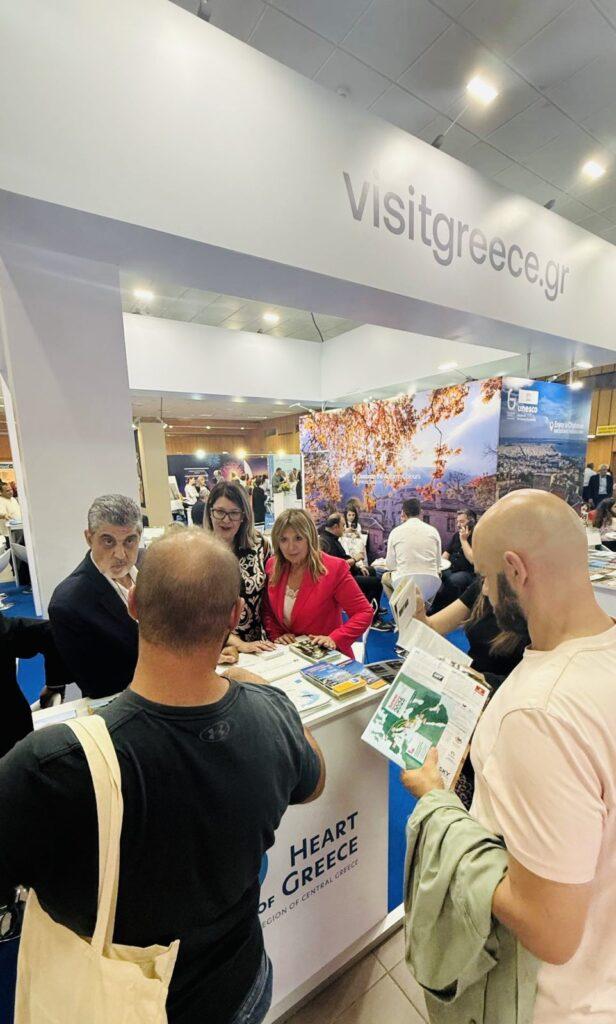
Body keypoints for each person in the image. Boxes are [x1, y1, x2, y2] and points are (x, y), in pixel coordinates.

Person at [0, 529, 325, 1024]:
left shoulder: (51, 764)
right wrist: (263, 693)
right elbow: (314, 782)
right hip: (242, 986)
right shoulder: (272, 715)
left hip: (114, 1007)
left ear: (133, 605)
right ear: (235, 616)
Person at [403, 489, 616, 1022]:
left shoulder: (539, 712)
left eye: (489, 578)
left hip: (549, 1001)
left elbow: (549, 929)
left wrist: (437, 806)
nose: (487, 594)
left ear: (516, 571)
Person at [48, 494, 142, 698]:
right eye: (108, 541)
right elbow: (99, 686)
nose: (120, 554)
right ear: (89, 538)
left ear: (139, 536)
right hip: (123, 703)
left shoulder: (152, 567)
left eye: (129, 541)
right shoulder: (69, 604)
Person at [263, 508, 373, 656]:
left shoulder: (334, 568)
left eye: (298, 538)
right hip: (289, 655)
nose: (291, 547)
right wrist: (277, 634)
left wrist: (334, 638)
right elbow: (268, 610)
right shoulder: (273, 566)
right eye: (284, 540)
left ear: (310, 538)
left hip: (327, 656)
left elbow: (364, 612)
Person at [205, 480, 274, 654]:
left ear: (243, 516)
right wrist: (239, 645)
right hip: (212, 649)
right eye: (220, 512)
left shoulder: (261, 545)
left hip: (256, 648)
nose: (226, 520)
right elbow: (195, 614)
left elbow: (271, 600)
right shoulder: (197, 552)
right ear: (210, 512)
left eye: (234, 513)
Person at [0, 610, 71, 758]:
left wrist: (54, 684)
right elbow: (50, 633)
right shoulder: (5, 629)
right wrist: (54, 685)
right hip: (15, 732)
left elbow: (50, 633)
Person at [318, 513, 391, 630]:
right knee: (376, 583)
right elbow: (337, 566)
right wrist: (355, 559)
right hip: (339, 581)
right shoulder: (325, 542)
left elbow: (343, 558)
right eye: (343, 526)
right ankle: (372, 620)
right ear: (335, 527)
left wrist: (359, 567)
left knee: (371, 570)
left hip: (345, 574)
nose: (344, 529)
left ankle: (371, 608)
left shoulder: (331, 539)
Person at [382, 498, 441, 600]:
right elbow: (438, 564)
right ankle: (424, 609)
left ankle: (398, 609)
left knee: (384, 578)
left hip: (403, 582)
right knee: (434, 579)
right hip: (430, 582)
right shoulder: (433, 531)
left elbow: (390, 565)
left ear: (403, 513)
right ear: (421, 512)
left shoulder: (395, 532)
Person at [433, 509, 477, 610]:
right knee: (434, 575)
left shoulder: (477, 536)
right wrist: (438, 567)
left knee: (453, 580)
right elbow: (446, 553)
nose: (457, 525)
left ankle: (441, 609)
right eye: (457, 522)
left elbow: (472, 560)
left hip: (468, 573)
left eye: (461, 522)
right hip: (452, 569)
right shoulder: (457, 535)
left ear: (471, 522)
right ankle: (432, 605)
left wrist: (464, 540)